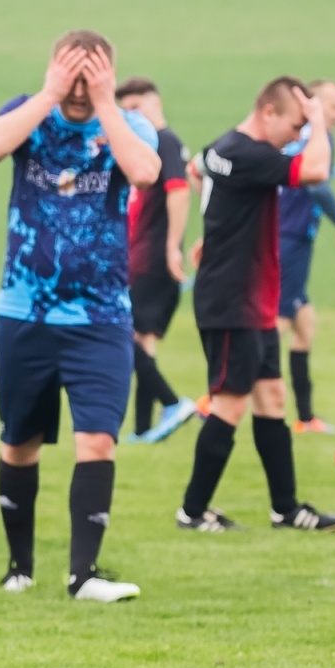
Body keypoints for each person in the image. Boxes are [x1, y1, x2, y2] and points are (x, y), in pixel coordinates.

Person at [0, 31, 161, 599]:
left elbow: (146, 172)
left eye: (91, 77)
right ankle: (19, 566)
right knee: (19, 442)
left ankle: (82, 575)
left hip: (101, 317)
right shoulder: (28, 114)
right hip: (24, 311)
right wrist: (49, 93)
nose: (79, 90)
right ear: (54, 68)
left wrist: (106, 105)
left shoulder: (129, 126)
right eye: (71, 76)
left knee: (98, 440)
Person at [177, 77, 335, 534]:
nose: (297, 136)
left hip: (251, 298)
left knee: (272, 397)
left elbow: (197, 171)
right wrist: (317, 123)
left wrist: (214, 233)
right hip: (232, 298)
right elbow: (315, 173)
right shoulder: (248, 153)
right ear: (268, 113)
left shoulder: (224, 147)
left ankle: (286, 509)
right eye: (293, 125)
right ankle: (192, 512)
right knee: (230, 404)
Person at [278, 79, 335, 434]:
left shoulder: (297, 138)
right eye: (334, 106)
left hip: (290, 236)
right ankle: (222, 396)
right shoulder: (318, 138)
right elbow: (317, 187)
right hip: (290, 240)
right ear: (314, 104)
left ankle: (305, 416)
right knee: (278, 324)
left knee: (304, 324)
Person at [115, 77, 200, 443]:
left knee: (125, 335)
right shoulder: (161, 145)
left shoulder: (164, 140)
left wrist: (171, 246)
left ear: (155, 103)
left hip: (150, 258)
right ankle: (144, 429)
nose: (131, 116)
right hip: (143, 255)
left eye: (136, 107)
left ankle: (171, 403)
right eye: (125, 111)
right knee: (143, 340)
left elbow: (179, 192)